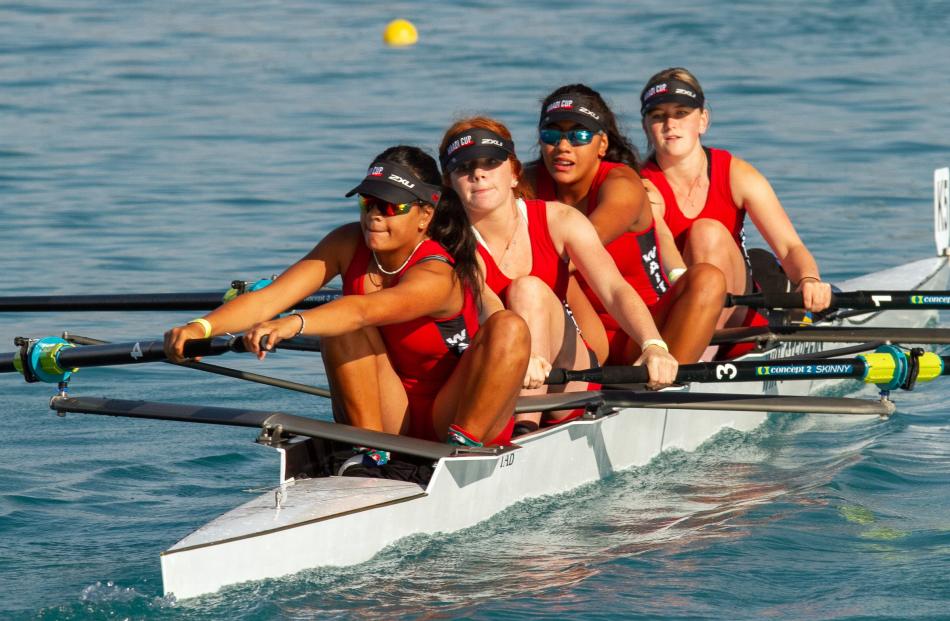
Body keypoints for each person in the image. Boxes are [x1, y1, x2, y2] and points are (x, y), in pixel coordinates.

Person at [164, 146, 530, 449]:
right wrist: (202, 326)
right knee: (338, 325)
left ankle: (464, 451)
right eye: (368, 203)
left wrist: (293, 323)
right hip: (388, 410)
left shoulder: (437, 274)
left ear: (425, 215)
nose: (373, 216)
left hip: (453, 412)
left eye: (390, 207)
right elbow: (271, 298)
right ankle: (371, 452)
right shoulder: (346, 241)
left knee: (509, 326)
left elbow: (363, 310)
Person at [439, 117, 678, 433]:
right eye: (464, 168)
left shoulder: (559, 220)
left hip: (568, 371)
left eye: (490, 162)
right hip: (501, 365)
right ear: (450, 183)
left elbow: (613, 288)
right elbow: (486, 304)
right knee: (511, 320)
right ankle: (519, 422)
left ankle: (526, 429)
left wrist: (653, 345)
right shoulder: (452, 241)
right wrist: (518, 354)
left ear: (513, 172)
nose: (479, 174)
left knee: (529, 290)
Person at [526, 84, 725, 365]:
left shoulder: (622, 185)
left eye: (579, 135)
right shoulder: (526, 182)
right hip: (581, 332)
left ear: (602, 144)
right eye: (551, 134)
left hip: (642, 332)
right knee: (553, 274)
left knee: (708, 278)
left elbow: (585, 246)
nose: (563, 147)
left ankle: (669, 377)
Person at [638, 68, 832, 331]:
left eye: (681, 114)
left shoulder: (735, 174)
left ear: (703, 120)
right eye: (658, 116)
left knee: (706, 232)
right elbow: (661, 246)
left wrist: (809, 279)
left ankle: (700, 341)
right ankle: (692, 340)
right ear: (646, 127)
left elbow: (788, 248)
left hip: (735, 303)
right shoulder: (640, 185)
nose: (670, 124)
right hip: (674, 301)